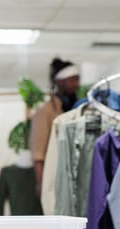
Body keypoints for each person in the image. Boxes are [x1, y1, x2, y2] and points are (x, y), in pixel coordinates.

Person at [29, 57, 80, 197]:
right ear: (59, 81)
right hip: (54, 180)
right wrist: (44, 188)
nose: (77, 84)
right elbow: (37, 155)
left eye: (77, 79)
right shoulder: (45, 112)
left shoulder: (77, 110)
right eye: (72, 80)